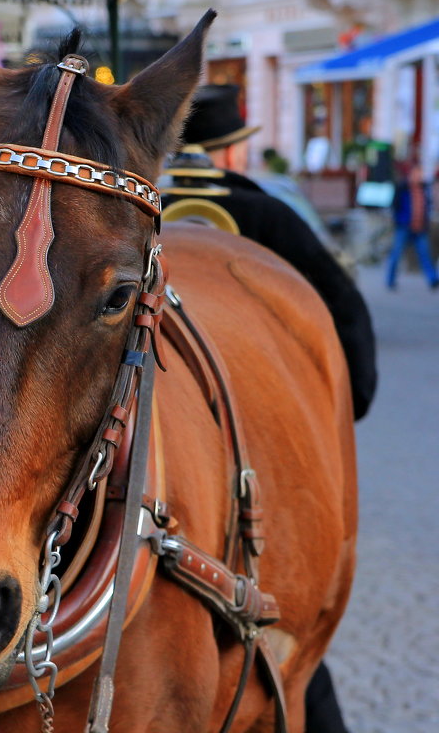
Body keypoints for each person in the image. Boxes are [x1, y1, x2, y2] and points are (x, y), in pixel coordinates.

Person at [168, 84, 362, 733]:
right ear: (228, 153)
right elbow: (355, 352)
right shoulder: (270, 218)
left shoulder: (119, 208)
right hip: (263, 464)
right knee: (290, 639)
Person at [167, 83, 377, 421]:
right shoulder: (269, 213)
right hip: (256, 389)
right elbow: (339, 297)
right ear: (233, 152)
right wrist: (355, 394)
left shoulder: (140, 209)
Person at [384, 160, 439, 290]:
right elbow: (395, 206)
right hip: (404, 226)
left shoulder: (424, 188)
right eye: (416, 173)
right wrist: (397, 220)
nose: (419, 176)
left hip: (420, 227)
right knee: (396, 254)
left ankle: (432, 279)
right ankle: (390, 280)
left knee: (425, 254)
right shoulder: (403, 188)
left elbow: (427, 206)